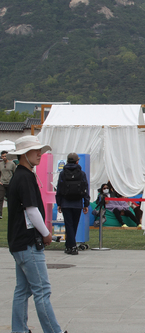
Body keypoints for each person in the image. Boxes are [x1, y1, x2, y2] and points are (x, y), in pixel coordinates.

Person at [6, 135, 66, 333]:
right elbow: (32, 210)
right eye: (35, 151)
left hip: (18, 242)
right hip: (28, 242)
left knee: (22, 290)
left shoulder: (21, 175)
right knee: (42, 290)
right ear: (24, 154)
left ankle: (19, 329)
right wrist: (46, 233)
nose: (40, 154)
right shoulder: (25, 177)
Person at [56, 152, 90, 255]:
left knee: (68, 225)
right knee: (74, 225)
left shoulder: (62, 173)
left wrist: (59, 203)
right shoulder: (82, 173)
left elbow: (59, 189)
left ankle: (70, 246)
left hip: (66, 203)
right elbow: (85, 189)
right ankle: (72, 246)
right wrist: (86, 204)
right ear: (77, 161)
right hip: (77, 203)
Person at [1, 149, 17, 219]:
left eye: (5, 156)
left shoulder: (12, 164)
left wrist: (13, 182)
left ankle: (11, 213)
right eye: (3, 156)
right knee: (0, 198)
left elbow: (15, 173)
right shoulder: (0, 164)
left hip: (10, 183)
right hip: (2, 183)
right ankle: (0, 214)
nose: (4, 157)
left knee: (10, 199)